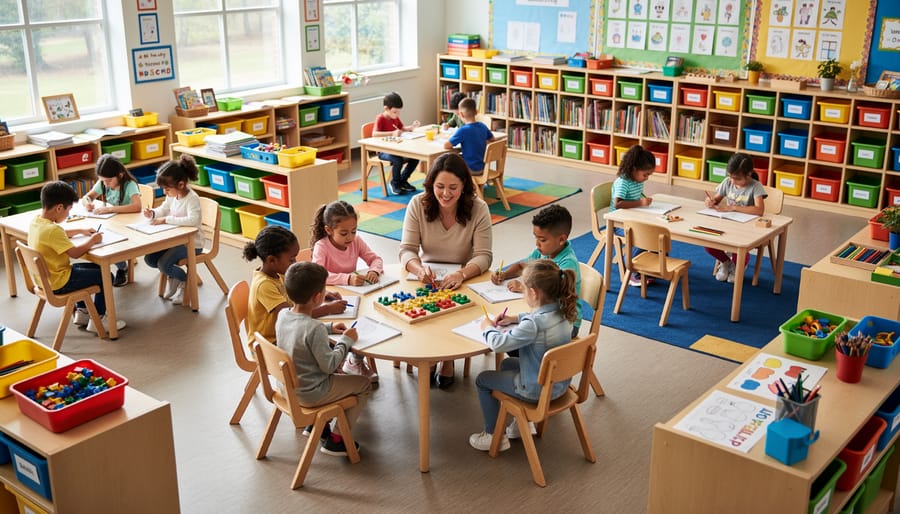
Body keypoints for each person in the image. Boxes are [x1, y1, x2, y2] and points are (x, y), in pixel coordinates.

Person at [400, 152, 493, 388]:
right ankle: (430, 355)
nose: (446, 193)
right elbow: (407, 250)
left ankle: (448, 359)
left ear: (464, 186)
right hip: (425, 276)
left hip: (464, 275)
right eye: (439, 186)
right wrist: (419, 269)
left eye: (453, 187)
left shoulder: (478, 208)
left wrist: (462, 274)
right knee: (421, 310)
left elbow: (484, 256)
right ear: (431, 185)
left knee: (458, 309)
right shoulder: (417, 204)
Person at [468, 259, 577, 451]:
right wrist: (514, 318)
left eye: (524, 290)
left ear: (533, 293)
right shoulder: (565, 311)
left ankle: (494, 436)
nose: (523, 294)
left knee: (483, 379)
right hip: (559, 385)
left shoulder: (533, 325)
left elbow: (498, 344)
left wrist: (486, 328)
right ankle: (521, 424)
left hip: (536, 390)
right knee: (508, 365)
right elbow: (536, 319)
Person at [276, 261, 372, 456]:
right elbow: (330, 365)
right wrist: (345, 341)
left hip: (287, 389)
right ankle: (338, 439)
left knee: (342, 376)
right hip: (311, 393)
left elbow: (300, 332)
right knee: (364, 384)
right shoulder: (314, 329)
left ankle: (317, 425)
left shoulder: (283, 315)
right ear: (318, 297)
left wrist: (329, 328)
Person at [28, 181, 126, 333]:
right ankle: (98, 319)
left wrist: (80, 230)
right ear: (59, 207)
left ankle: (83, 312)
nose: (68, 214)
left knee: (94, 268)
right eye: (68, 210)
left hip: (46, 280)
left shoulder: (37, 222)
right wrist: (92, 241)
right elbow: (75, 253)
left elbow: (58, 234)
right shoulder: (53, 230)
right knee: (105, 275)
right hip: (60, 282)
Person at [311, 200, 384, 382]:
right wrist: (347, 278)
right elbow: (318, 274)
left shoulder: (356, 241)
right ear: (329, 230)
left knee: (365, 322)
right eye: (344, 233)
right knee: (348, 326)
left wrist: (374, 270)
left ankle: (354, 359)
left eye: (354, 231)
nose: (350, 237)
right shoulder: (322, 246)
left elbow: (375, 259)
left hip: (354, 297)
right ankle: (347, 361)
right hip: (329, 299)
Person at [243, 225, 350, 344]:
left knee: (325, 340)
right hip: (270, 344)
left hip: (285, 333)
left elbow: (298, 295)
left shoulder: (279, 273)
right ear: (272, 260)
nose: (295, 263)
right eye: (291, 259)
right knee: (325, 344)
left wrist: (320, 294)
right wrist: (327, 309)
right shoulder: (264, 285)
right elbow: (294, 317)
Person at [491, 204, 581, 337]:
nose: (537, 244)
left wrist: (523, 287)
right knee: (510, 331)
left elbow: (551, 296)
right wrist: (504, 274)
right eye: (536, 237)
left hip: (565, 324)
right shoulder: (543, 252)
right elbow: (522, 266)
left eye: (542, 240)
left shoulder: (568, 263)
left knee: (512, 337)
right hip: (544, 315)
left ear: (561, 239)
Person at [142, 155, 204, 306]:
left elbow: (193, 221)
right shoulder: (173, 196)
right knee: (150, 259)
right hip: (174, 240)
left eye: (167, 189)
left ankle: (183, 282)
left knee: (164, 264)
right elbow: (164, 208)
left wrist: (166, 219)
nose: (165, 192)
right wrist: (153, 214)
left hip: (192, 244)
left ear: (181, 184)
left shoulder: (192, 199)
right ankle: (174, 278)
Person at [704, 153, 767, 283]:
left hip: (747, 227)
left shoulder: (755, 186)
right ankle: (726, 262)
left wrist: (733, 208)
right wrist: (710, 201)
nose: (733, 181)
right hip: (728, 223)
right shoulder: (728, 182)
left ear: (749, 174)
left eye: (737, 179)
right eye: (730, 177)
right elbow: (716, 199)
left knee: (740, 249)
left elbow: (759, 210)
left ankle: (737, 265)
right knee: (708, 242)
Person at [80, 154, 142, 287]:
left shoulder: (129, 185)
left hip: (128, 225)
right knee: (96, 237)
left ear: (119, 175)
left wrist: (111, 209)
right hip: (112, 223)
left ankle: (122, 268)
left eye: (108, 181)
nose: (105, 184)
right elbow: (87, 196)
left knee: (106, 242)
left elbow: (137, 206)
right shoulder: (103, 182)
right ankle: (120, 263)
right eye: (102, 181)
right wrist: (87, 203)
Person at [610, 144, 656, 287]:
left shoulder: (637, 180)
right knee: (642, 235)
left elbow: (635, 197)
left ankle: (652, 266)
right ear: (634, 169)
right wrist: (640, 202)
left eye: (649, 175)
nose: (647, 178)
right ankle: (630, 269)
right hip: (618, 223)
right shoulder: (624, 182)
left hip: (633, 218)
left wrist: (641, 201)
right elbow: (618, 204)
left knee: (655, 231)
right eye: (645, 174)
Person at [372, 92, 421, 195]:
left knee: (415, 158)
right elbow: (374, 134)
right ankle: (395, 183)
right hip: (383, 151)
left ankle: (403, 180)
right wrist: (392, 133)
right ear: (386, 108)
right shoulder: (380, 118)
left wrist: (412, 127)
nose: (397, 115)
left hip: (396, 149)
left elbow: (402, 129)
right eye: (395, 112)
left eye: (399, 112)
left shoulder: (395, 118)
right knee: (398, 160)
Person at [444, 97, 494, 175]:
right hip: (484, 168)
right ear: (476, 112)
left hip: (470, 169)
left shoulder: (463, 130)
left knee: (448, 162)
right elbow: (492, 139)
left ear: (460, 114)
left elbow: (446, 145)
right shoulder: (483, 126)